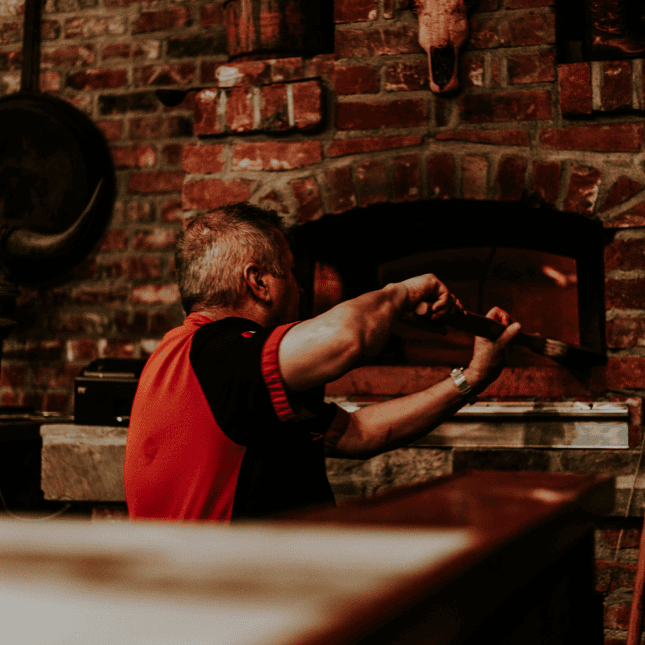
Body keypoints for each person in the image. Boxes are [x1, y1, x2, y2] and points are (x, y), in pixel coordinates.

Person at [124, 203, 521, 521]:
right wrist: (402, 292)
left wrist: (473, 377)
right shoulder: (218, 353)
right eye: (291, 272)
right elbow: (347, 337)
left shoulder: (221, 370)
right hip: (232, 605)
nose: (299, 286)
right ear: (258, 282)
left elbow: (361, 433)